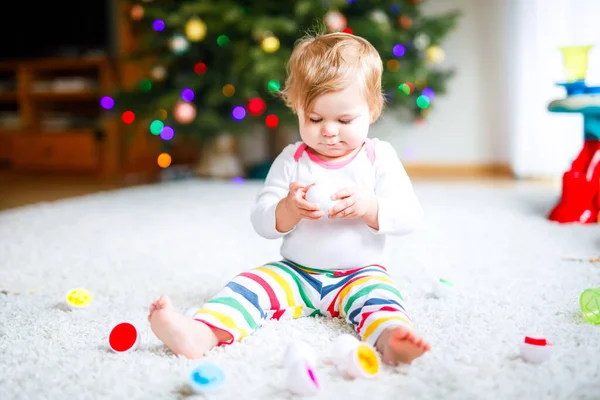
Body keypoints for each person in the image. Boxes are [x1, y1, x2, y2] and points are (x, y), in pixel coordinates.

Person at [148, 32, 430, 365]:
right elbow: (262, 220)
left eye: (344, 120)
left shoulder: (378, 157)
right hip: (296, 272)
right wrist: (287, 209)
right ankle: (201, 333)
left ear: (371, 110)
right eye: (314, 118)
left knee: (382, 301)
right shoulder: (292, 160)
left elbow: (411, 215)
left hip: (361, 272)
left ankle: (392, 339)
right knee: (249, 285)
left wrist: (371, 207)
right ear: (297, 108)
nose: (328, 130)